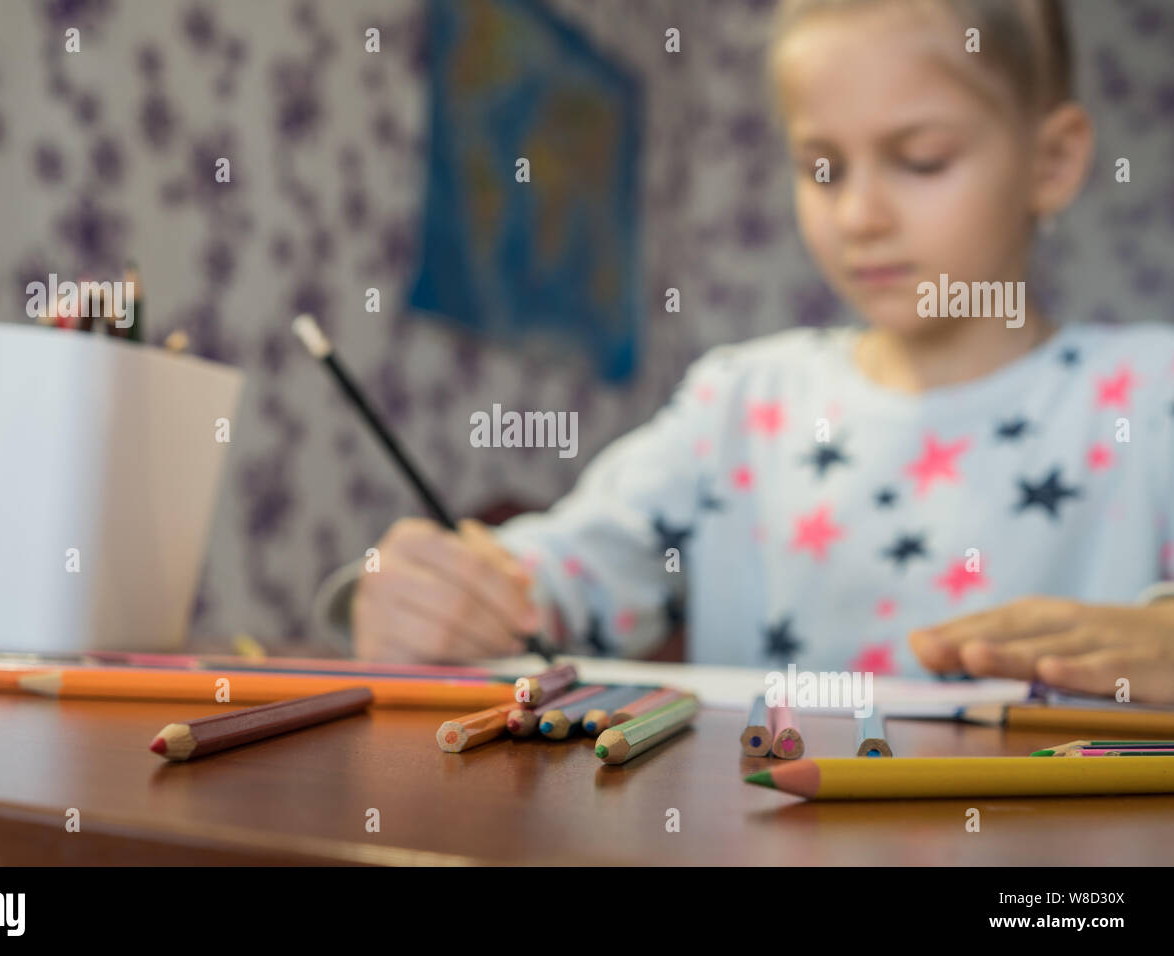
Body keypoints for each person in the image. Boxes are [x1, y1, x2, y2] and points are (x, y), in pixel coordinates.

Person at [323, 0, 1174, 703]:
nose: (859, 216)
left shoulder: (1149, 392)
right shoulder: (741, 400)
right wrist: (434, 597)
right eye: (824, 168)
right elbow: (564, 568)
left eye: (921, 161)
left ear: (1054, 162)